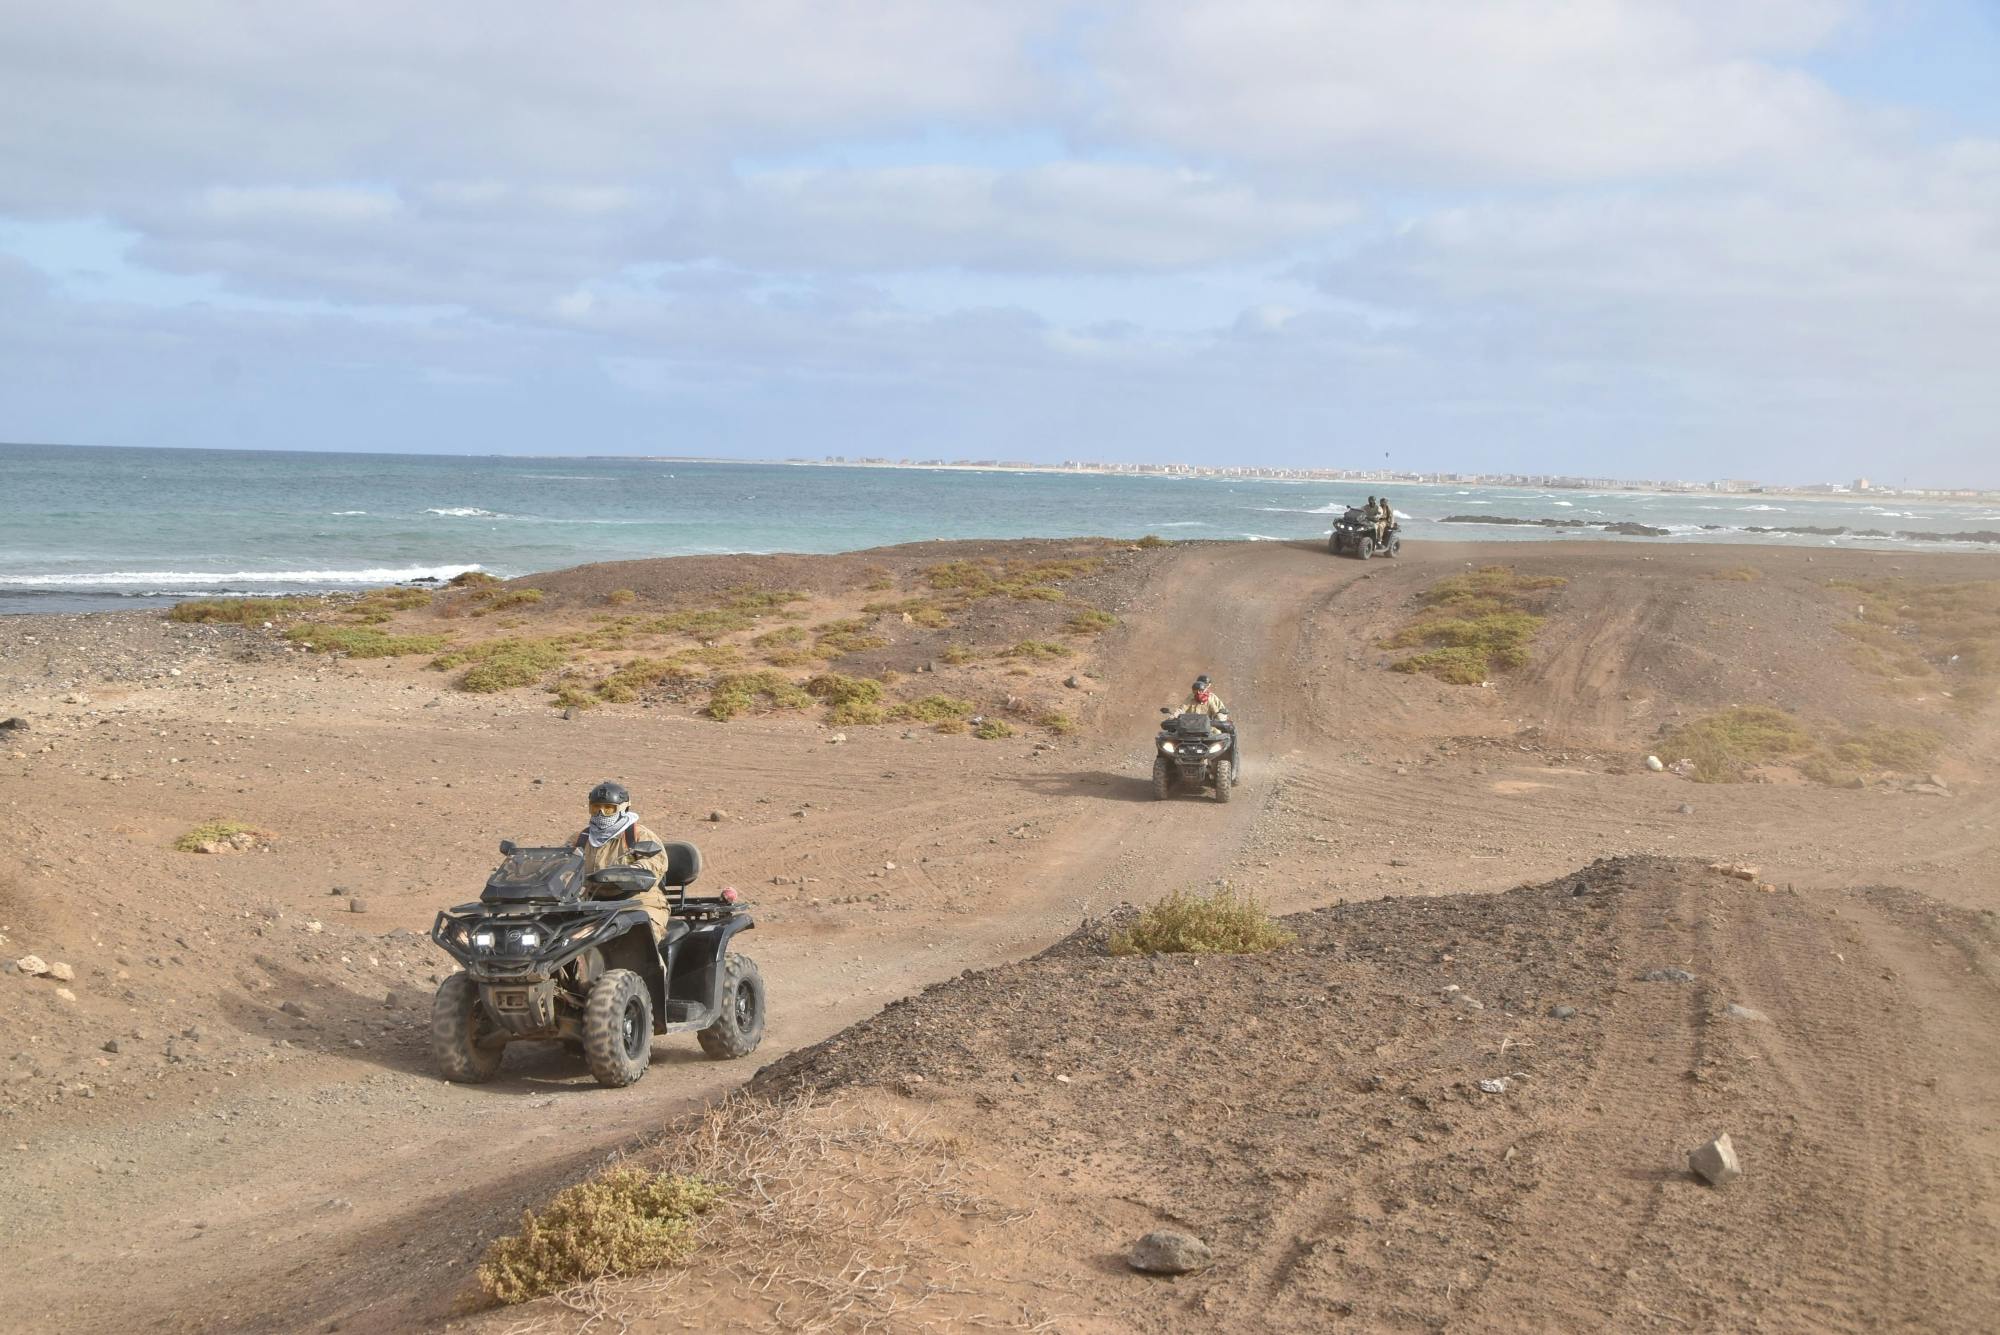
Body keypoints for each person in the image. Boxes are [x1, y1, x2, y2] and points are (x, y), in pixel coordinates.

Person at [573, 780, 673, 930]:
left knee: (633, 939)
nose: (601, 813)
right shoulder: (581, 838)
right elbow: (562, 863)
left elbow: (654, 862)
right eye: (595, 808)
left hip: (639, 903)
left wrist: (629, 873)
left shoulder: (638, 835)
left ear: (623, 808)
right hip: (592, 904)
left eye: (608, 809)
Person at [1161, 675, 1240, 783]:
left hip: (1208, 730)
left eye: (1201, 690)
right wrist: (1173, 716)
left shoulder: (1211, 699)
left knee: (1222, 736)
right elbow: (1182, 708)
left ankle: (1231, 773)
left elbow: (1218, 712)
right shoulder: (1190, 698)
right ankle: (1171, 769)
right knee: (1168, 737)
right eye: (1196, 690)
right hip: (1187, 730)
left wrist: (1220, 721)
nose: (1198, 692)